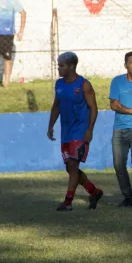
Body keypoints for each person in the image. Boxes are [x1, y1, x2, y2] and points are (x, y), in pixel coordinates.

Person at [47, 52, 103, 211]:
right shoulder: (59, 84)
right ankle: (94, 191)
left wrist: (90, 130)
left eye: (61, 65)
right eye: (58, 65)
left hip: (80, 130)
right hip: (66, 132)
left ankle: (68, 201)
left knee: (72, 165)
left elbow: (93, 108)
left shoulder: (84, 85)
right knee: (70, 168)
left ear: (71, 66)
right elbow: (56, 105)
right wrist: (51, 125)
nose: (58, 68)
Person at [108, 51, 132, 207]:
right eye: (131, 62)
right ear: (125, 65)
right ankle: (128, 195)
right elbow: (114, 105)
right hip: (119, 129)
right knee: (118, 164)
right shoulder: (117, 81)